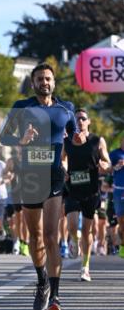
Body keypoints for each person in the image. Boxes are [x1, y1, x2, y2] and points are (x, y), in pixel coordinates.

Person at [0, 62, 76, 310]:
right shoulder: (22, 107)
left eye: (48, 79)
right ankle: (41, 279)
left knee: (52, 236)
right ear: (33, 83)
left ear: (54, 82)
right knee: (35, 235)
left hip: (54, 175)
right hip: (30, 176)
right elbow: (4, 136)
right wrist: (20, 140)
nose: (45, 82)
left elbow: (76, 137)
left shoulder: (66, 109)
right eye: (40, 79)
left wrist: (79, 140)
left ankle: (55, 297)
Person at [62, 109, 110, 281]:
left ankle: (85, 267)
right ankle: (74, 239)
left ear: (89, 121)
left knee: (88, 229)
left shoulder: (97, 140)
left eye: (83, 118)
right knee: (73, 224)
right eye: (77, 119)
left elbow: (107, 160)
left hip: (91, 191)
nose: (80, 121)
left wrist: (105, 164)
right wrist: (64, 169)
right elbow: (62, 159)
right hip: (73, 188)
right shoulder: (67, 141)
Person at [109, 132, 124, 259]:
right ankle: (122, 245)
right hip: (118, 191)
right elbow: (107, 169)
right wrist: (117, 166)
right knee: (121, 222)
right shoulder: (114, 154)